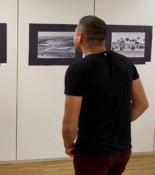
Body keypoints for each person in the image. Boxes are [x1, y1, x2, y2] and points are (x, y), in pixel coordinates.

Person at [62, 15, 149, 175]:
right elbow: (142, 104)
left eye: (75, 33)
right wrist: (116, 124)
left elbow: (69, 126)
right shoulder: (126, 63)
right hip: (123, 151)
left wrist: (68, 144)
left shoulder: (77, 70)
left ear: (80, 37)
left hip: (93, 153)